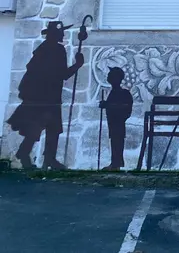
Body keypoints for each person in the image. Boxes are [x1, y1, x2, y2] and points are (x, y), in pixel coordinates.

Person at [7, 21, 84, 170]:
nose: (63, 35)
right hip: (47, 97)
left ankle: (42, 157)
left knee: (42, 127)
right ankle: (41, 157)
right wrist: (77, 65)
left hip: (42, 96)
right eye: (61, 32)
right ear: (55, 34)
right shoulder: (57, 50)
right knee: (47, 127)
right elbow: (62, 74)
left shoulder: (42, 49)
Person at [100, 67, 133, 171]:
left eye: (111, 75)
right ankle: (115, 163)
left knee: (117, 141)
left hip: (118, 121)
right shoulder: (114, 92)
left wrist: (107, 105)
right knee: (115, 141)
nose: (108, 77)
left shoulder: (123, 93)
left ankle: (116, 163)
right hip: (113, 121)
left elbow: (124, 107)